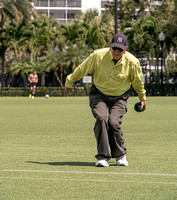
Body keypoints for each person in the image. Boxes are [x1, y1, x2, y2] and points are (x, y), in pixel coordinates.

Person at [65, 33, 146, 167]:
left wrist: (142, 98)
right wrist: (70, 81)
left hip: (120, 96)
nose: (116, 51)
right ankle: (102, 157)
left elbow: (137, 81)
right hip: (99, 93)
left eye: (120, 49)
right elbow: (82, 69)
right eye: (114, 48)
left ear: (126, 49)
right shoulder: (98, 56)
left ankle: (120, 155)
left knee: (114, 122)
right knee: (101, 118)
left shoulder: (133, 62)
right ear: (110, 46)